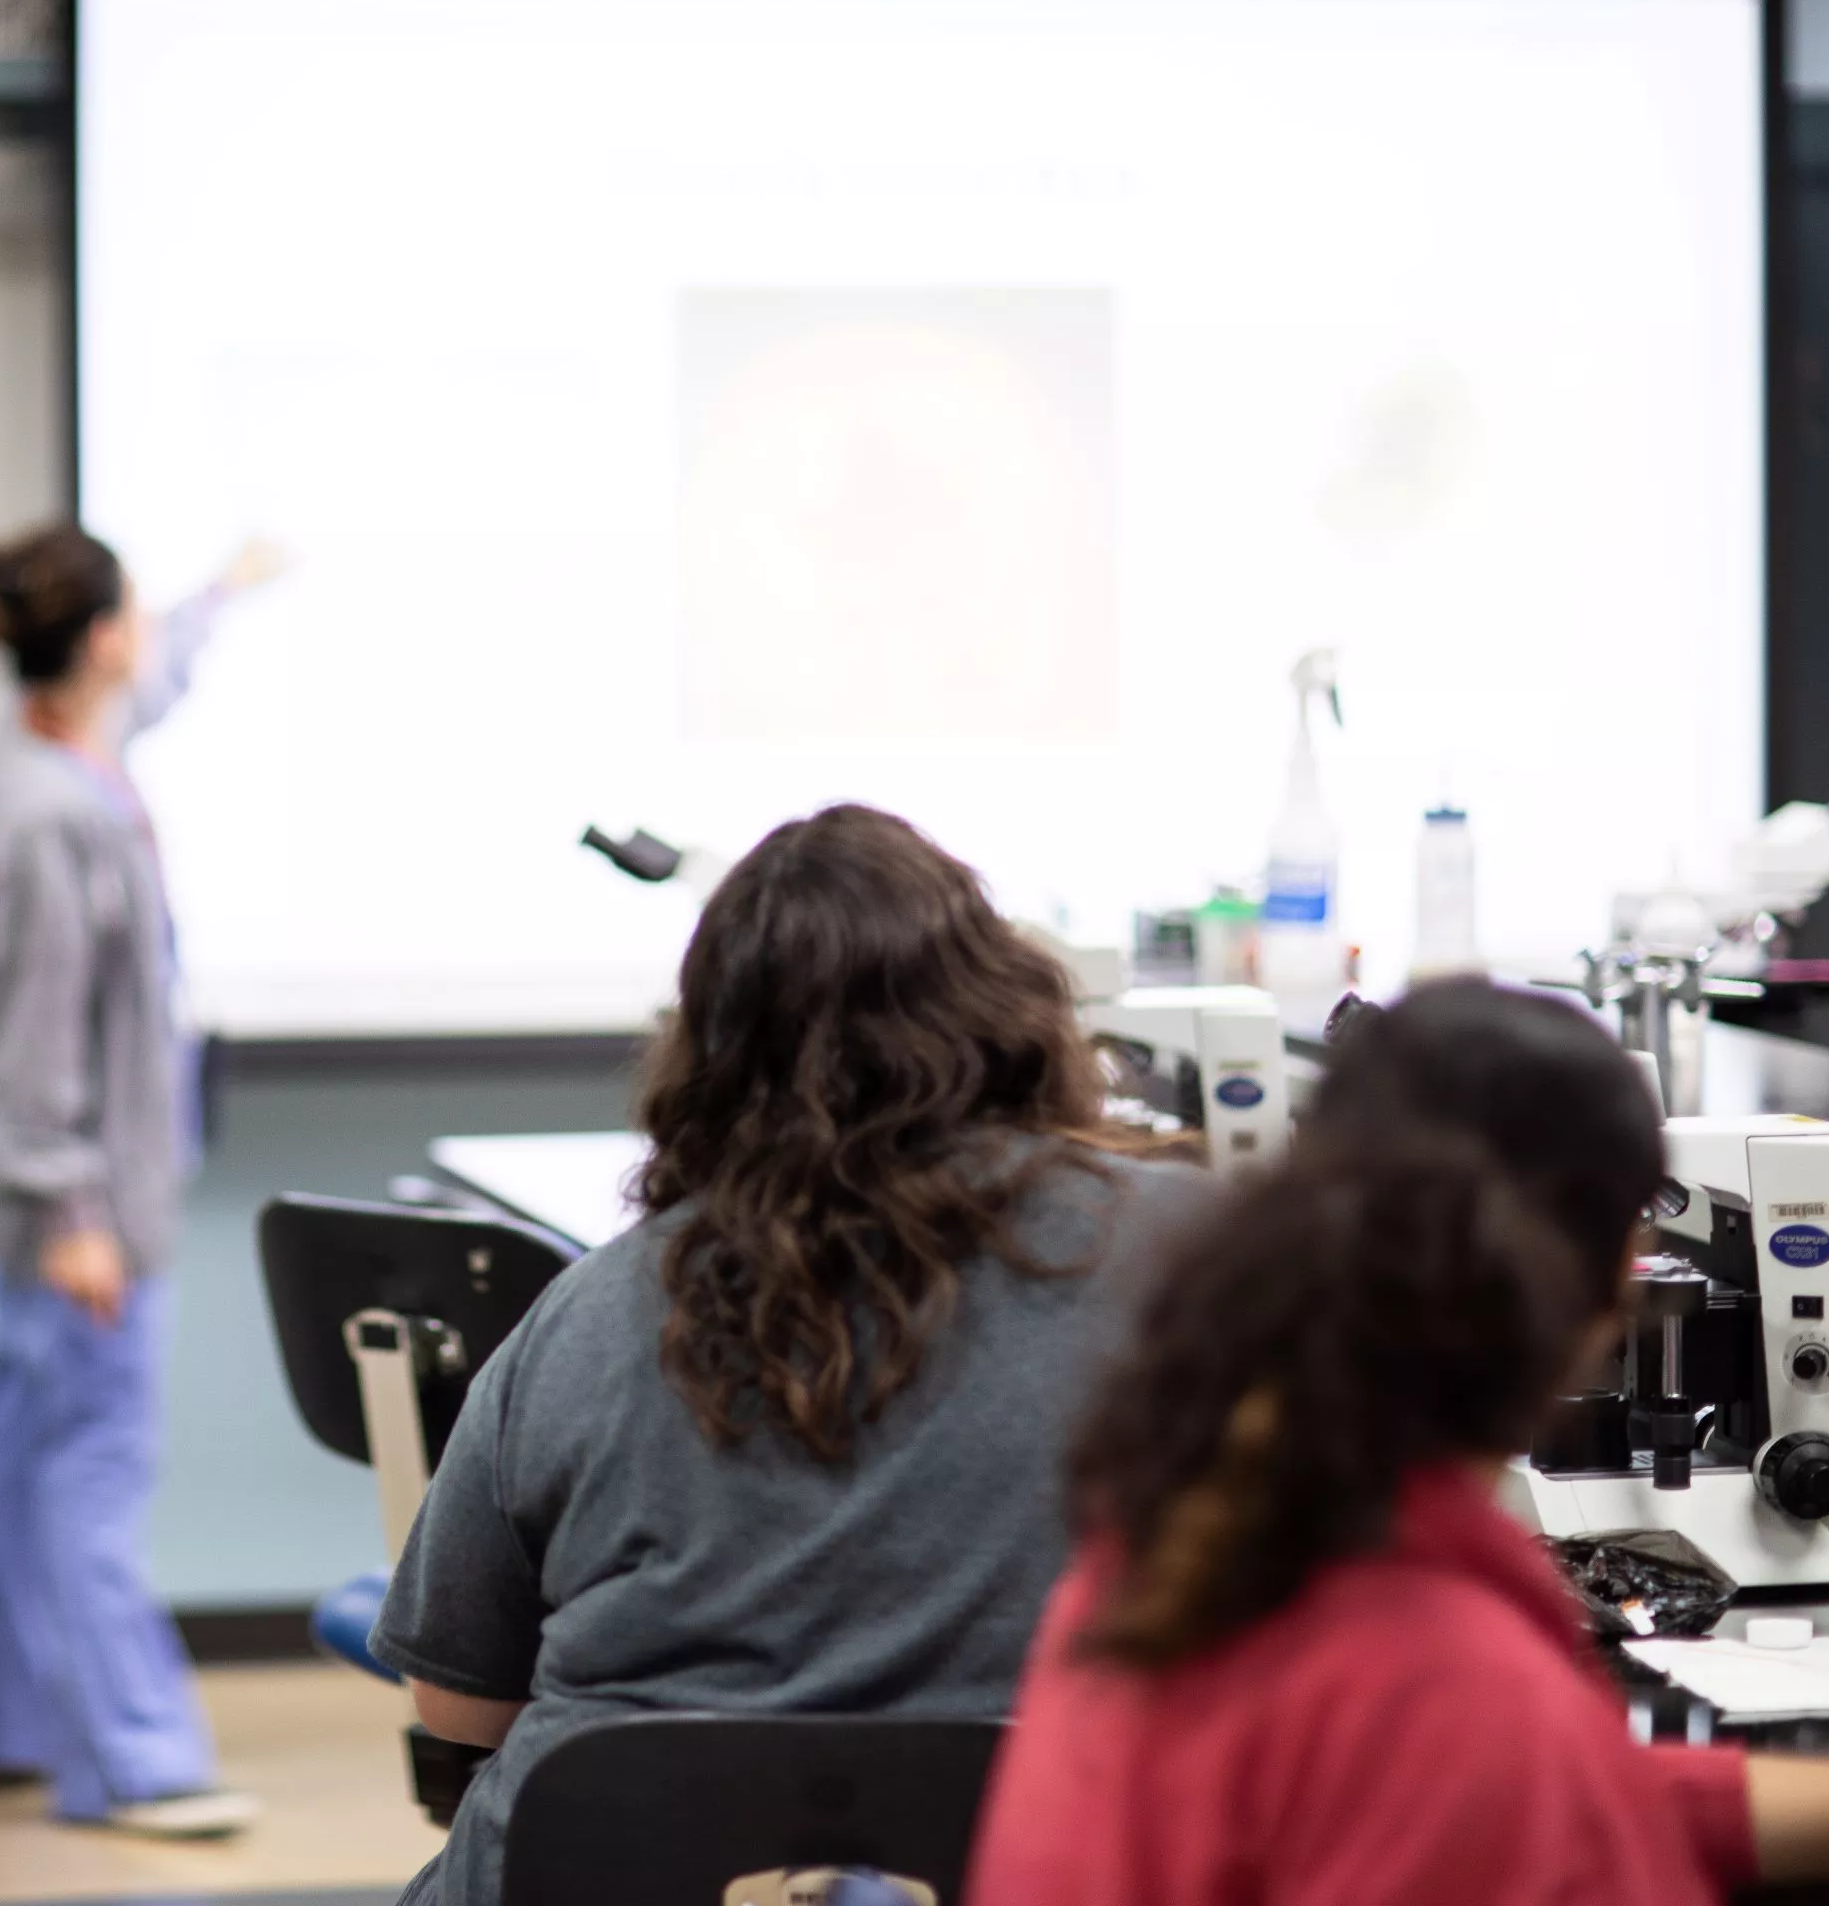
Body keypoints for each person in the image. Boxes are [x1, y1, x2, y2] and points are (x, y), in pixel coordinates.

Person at [367, 803, 1211, 1906]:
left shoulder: (591, 1306)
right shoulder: (1195, 1251)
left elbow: (459, 1703)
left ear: (708, 1050)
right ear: (1018, 1011)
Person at [969, 980, 1829, 1906]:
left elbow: (1568, 1791)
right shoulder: (1445, 1686)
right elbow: (1476, 1773)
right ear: (1619, 1278)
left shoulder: (1173, 1548)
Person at [0, 522, 272, 1838]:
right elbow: (30, 1046)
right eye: (137, 616)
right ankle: (133, 1759)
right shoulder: (47, 818)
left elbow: (157, 678)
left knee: (11, 1460)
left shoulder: (56, 746)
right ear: (99, 637)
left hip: (60, 1208)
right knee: (91, 1470)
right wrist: (76, 1216)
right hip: (79, 1219)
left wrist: (218, 598)